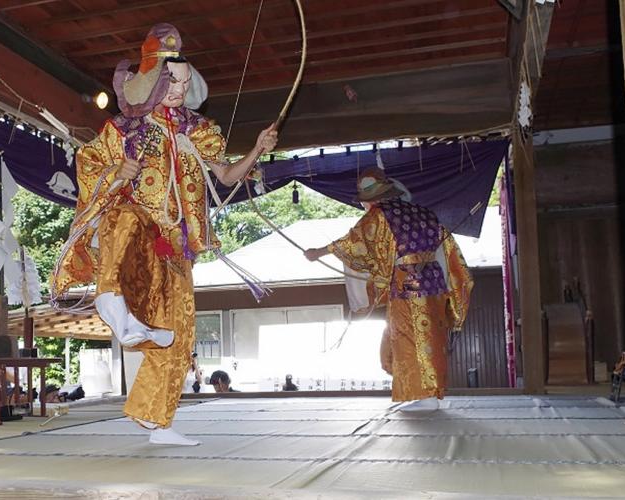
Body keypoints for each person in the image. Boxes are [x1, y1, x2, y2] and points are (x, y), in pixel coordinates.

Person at [52, 23, 276, 446]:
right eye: (171, 80)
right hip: (136, 223)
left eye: (185, 81)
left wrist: (257, 149)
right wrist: (118, 172)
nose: (179, 88)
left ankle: (157, 421)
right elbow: (89, 166)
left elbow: (226, 174)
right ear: (152, 80)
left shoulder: (198, 129)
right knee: (127, 222)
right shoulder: (124, 129)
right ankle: (112, 300)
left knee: (179, 330)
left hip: (176, 243)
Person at [304, 168, 473, 412]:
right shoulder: (423, 212)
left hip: (406, 283)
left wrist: (316, 253)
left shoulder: (379, 216)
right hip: (434, 283)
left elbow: (353, 243)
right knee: (432, 337)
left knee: (408, 336)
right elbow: (447, 251)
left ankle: (422, 395)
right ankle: (432, 393)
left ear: (370, 199)